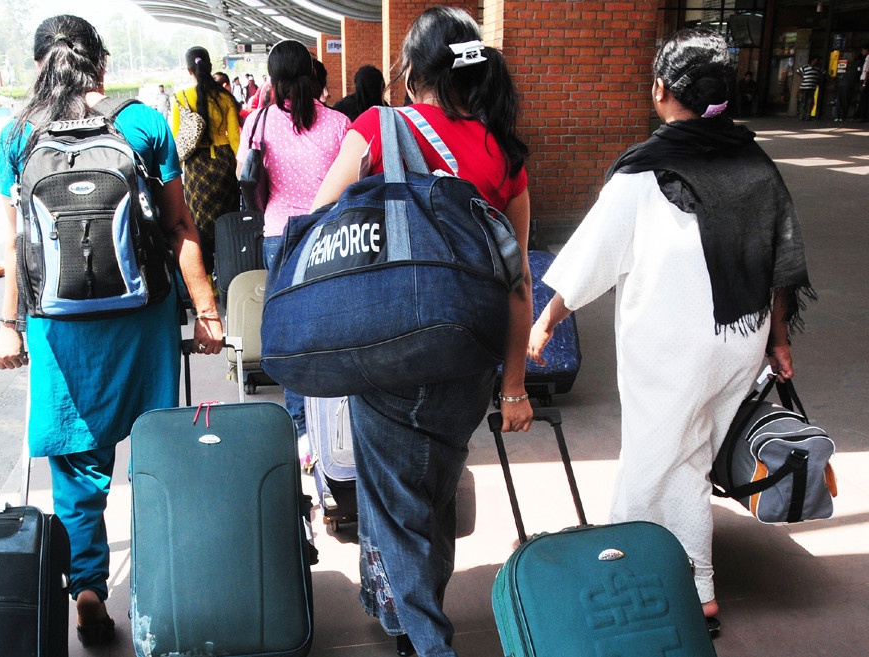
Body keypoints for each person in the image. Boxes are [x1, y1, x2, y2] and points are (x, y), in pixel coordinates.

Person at [526, 27, 814, 637]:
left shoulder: (643, 174)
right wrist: (778, 339)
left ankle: (635, 582)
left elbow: (590, 259)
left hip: (672, 347)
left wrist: (547, 320)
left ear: (661, 90)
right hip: (740, 341)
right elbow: (779, 262)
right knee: (687, 456)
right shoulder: (754, 163)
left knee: (653, 463)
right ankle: (695, 584)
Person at [0, 15, 224, 647]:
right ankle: (160, 586)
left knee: (76, 466)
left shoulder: (17, 134)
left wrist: (9, 327)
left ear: (38, 66)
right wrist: (207, 312)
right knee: (156, 451)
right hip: (142, 321)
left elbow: (16, 244)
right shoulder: (143, 123)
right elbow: (179, 227)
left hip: (59, 331)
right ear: (102, 62)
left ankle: (89, 588)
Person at [311, 8, 533, 656]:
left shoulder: (377, 129)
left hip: (391, 349)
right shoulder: (500, 151)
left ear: (412, 73)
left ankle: (426, 639)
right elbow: (518, 280)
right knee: (432, 490)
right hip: (470, 354)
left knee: (395, 505)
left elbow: (321, 219)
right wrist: (514, 385)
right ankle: (405, 611)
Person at [237, 39, 350, 447]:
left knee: (291, 331)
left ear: (272, 79)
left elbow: (244, 173)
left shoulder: (258, 122)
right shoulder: (339, 123)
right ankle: (339, 427)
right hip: (331, 234)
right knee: (334, 327)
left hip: (279, 235)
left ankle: (301, 431)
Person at [173, 47, 241, 274]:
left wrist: (176, 174)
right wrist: (240, 170)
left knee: (199, 224)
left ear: (188, 70)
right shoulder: (225, 97)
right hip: (224, 164)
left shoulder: (181, 98)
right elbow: (235, 138)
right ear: (210, 66)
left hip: (196, 167)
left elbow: (178, 138)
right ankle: (228, 275)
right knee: (226, 220)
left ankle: (208, 279)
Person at [796, 55, 823, 121]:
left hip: (812, 87)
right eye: (815, 60)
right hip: (804, 87)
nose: (816, 62)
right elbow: (797, 71)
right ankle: (802, 115)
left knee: (810, 102)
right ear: (812, 61)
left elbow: (823, 72)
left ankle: (808, 115)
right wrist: (803, 77)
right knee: (803, 101)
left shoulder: (818, 68)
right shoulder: (805, 67)